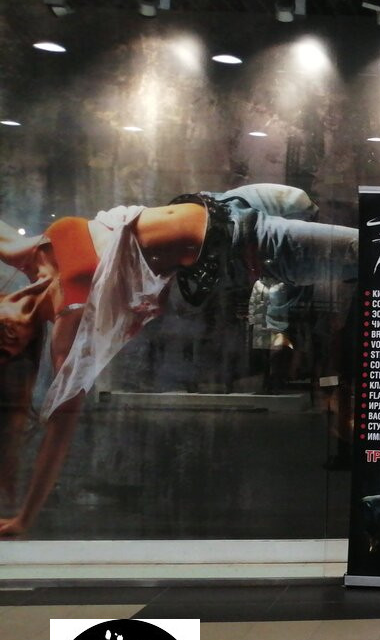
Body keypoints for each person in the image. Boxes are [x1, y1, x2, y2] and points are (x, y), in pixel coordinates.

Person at [0, 183, 357, 536]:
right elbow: (59, 431)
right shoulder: (68, 327)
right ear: (21, 355)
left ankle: (280, 306)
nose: (4, 341)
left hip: (226, 201)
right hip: (245, 242)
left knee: (304, 204)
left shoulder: (24, 252)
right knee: (374, 250)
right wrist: (25, 518)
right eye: (3, 354)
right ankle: (280, 310)